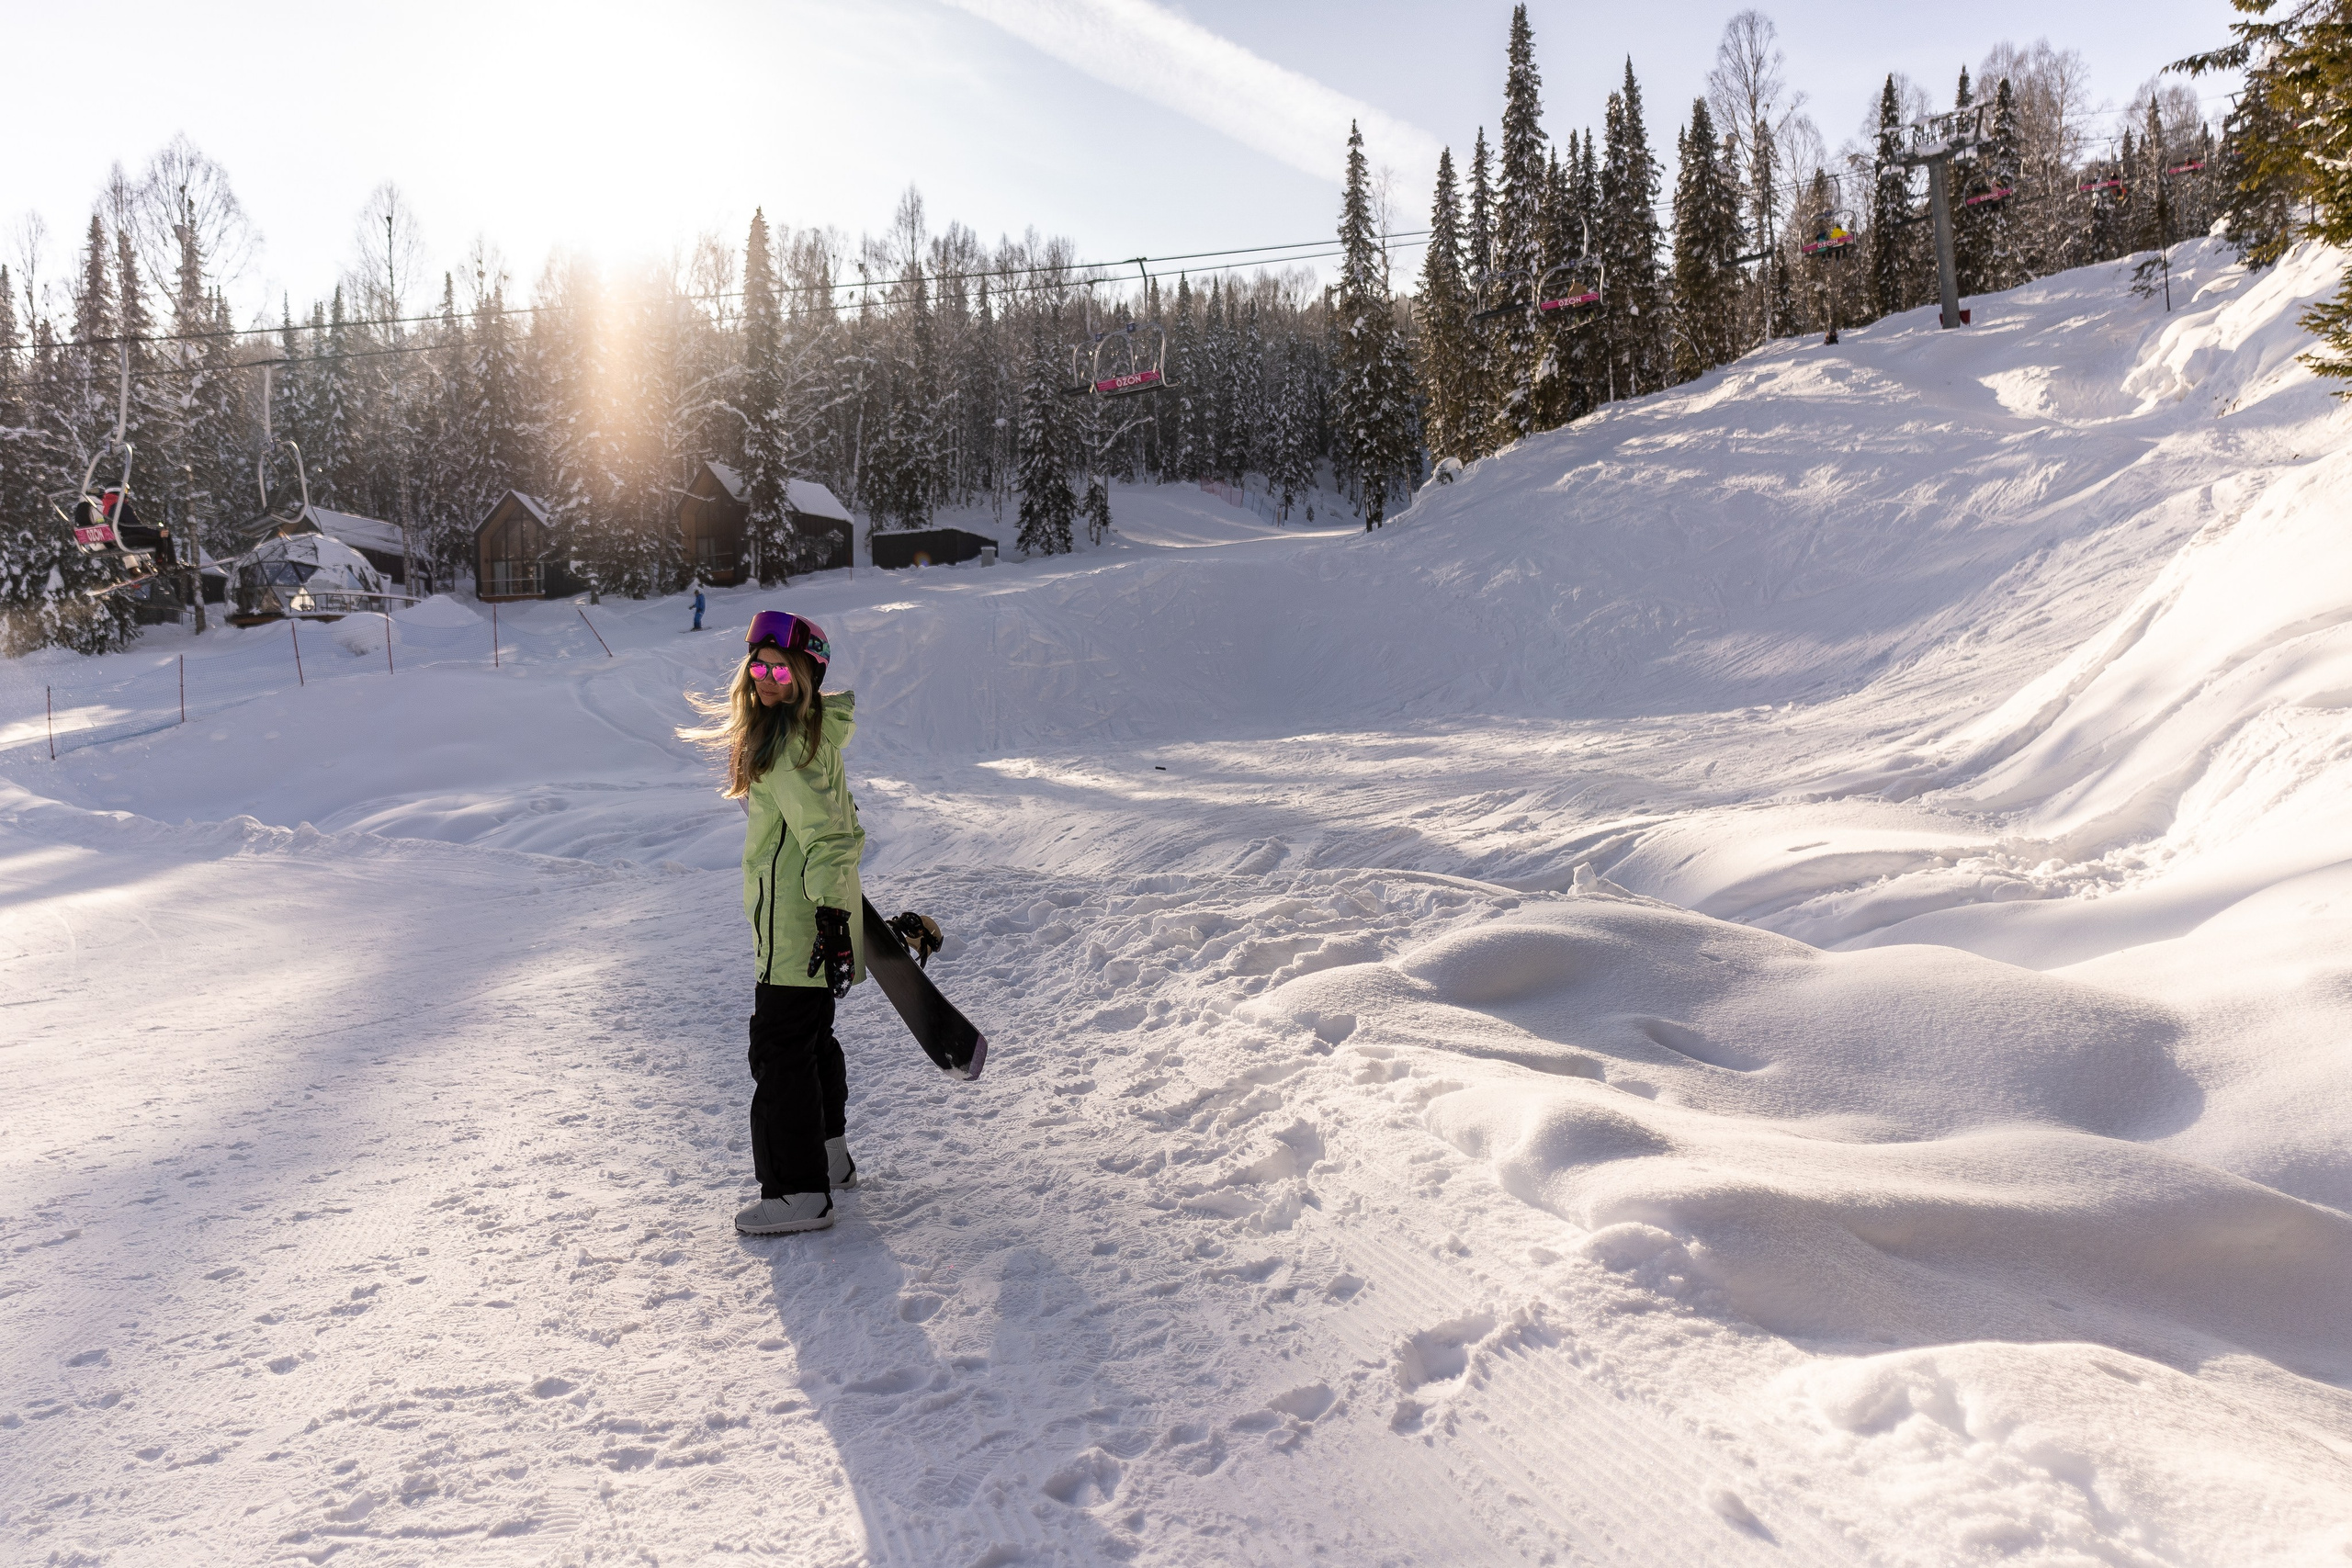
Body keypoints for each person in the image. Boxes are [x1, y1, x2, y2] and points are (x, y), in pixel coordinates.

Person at [681, 609, 866, 1235]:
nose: (766, 680)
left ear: (806, 677)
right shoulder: (810, 736)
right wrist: (837, 911)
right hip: (809, 922)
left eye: (781, 671)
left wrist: (831, 916)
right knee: (811, 1044)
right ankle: (828, 1160)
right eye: (758, 667)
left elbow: (829, 838)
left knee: (780, 1052)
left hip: (796, 929)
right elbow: (842, 827)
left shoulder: (788, 747)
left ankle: (796, 1192)